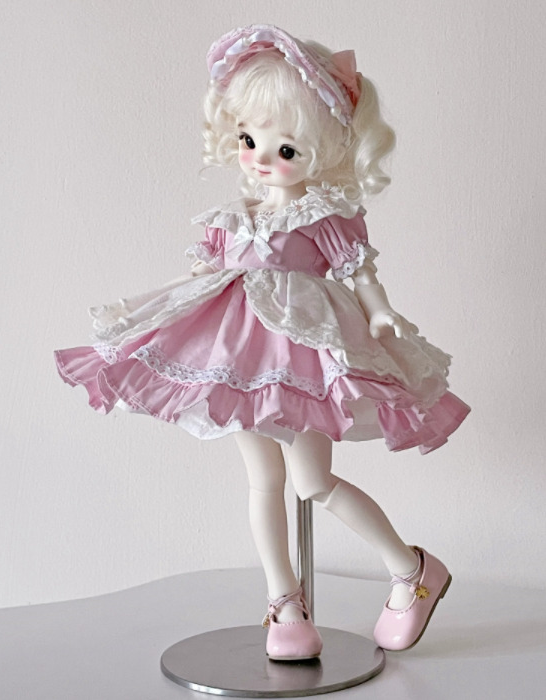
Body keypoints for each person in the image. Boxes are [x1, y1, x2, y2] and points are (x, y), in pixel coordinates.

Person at [55, 24, 470, 660]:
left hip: (303, 355)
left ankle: (412, 569)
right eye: (250, 140)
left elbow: (360, 273)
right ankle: (284, 603)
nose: (260, 157)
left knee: (313, 482)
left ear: (323, 148)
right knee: (261, 481)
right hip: (236, 358)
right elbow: (204, 276)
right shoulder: (234, 218)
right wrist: (155, 306)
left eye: (285, 148)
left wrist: (382, 315)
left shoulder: (323, 215)